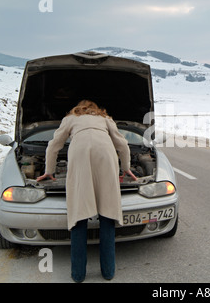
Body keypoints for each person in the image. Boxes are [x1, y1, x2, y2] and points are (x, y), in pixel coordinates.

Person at [36, 100, 137, 282]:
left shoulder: (70, 118)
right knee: (107, 213)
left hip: (79, 154)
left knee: (79, 214)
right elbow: (122, 144)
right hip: (105, 154)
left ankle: (78, 275)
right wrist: (126, 167)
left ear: (77, 108)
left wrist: (49, 171)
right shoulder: (104, 118)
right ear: (95, 109)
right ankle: (108, 271)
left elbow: (54, 145)